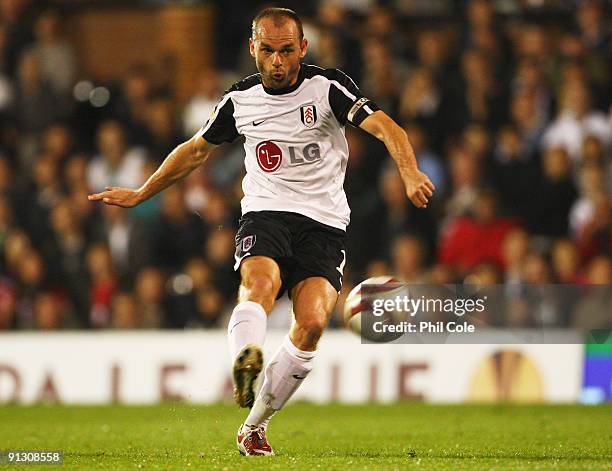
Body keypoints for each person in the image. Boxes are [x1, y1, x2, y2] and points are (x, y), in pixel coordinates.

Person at [88, 7, 434, 456]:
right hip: (266, 213)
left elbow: (387, 127)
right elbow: (194, 151)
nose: (277, 61)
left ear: (302, 48)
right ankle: (246, 357)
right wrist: (142, 193)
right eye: (267, 50)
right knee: (260, 284)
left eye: (287, 50)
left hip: (325, 223)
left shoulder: (327, 87)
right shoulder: (239, 101)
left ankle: (254, 426)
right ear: (253, 48)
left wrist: (409, 172)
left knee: (310, 325)